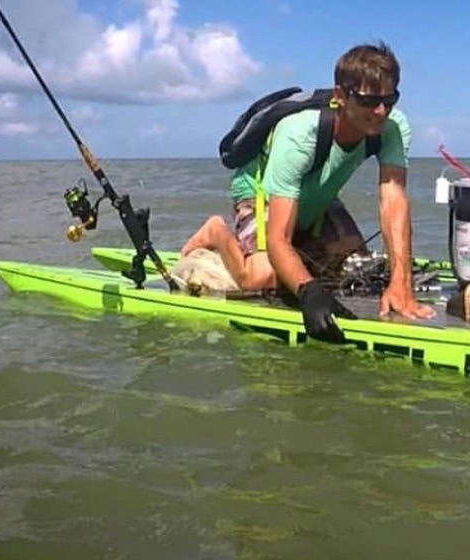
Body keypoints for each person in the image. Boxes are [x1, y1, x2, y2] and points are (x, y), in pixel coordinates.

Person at [181, 41, 434, 343]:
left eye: (389, 99)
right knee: (264, 276)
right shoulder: (299, 135)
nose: (380, 111)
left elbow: (393, 201)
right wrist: (308, 292)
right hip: (262, 192)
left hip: (318, 197)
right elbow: (277, 238)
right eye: (368, 101)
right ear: (341, 97)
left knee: (358, 271)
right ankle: (218, 233)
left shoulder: (393, 128)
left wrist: (400, 282)